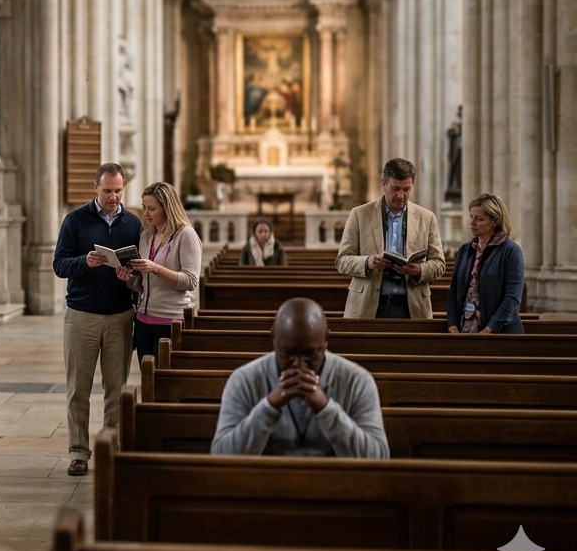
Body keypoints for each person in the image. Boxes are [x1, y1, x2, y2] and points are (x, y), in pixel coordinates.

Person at [211, 298, 389, 458]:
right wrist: (269, 407)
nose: (298, 364)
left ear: (326, 340)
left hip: (336, 487)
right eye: (287, 353)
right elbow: (221, 455)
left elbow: (378, 457)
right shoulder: (244, 379)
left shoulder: (357, 380)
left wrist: (325, 409)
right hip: (263, 486)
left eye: (310, 354)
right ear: (273, 338)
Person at [53, 163, 144, 477]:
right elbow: (60, 265)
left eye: (119, 190)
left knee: (116, 389)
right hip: (82, 316)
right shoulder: (75, 220)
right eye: (108, 190)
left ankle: (111, 446)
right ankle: (79, 452)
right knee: (78, 389)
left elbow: (140, 272)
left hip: (120, 314)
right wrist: (85, 261)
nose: (114, 197)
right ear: (96, 188)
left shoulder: (133, 223)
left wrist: (128, 275)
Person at [335, 158, 446, 319]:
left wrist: (419, 270)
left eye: (407, 189)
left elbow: (439, 263)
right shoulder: (360, 214)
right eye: (395, 189)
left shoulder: (427, 218)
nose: (401, 195)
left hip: (413, 308)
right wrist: (368, 262)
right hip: (368, 306)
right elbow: (342, 260)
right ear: (383, 183)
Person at [118, 181, 202, 366]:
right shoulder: (146, 236)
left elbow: (190, 281)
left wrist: (156, 268)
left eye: (152, 208)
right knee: (147, 378)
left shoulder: (185, 235)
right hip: (143, 321)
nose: (146, 213)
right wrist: (129, 279)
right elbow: (143, 284)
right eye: (144, 207)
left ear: (167, 208)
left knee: (164, 382)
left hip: (171, 322)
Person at [447, 193, 525, 334]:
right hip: (464, 329)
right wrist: (452, 324)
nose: (472, 223)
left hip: (500, 332)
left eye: (479, 219)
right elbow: (454, 292)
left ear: (495, 221)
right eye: (471, 217)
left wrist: (490, 329)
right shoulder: (465, 250)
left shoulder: (511, 251)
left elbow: (512, 299)